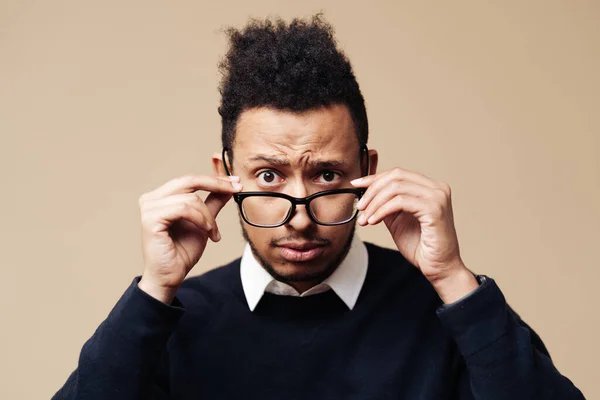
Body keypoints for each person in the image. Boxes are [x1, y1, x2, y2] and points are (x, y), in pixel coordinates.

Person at [53, 15, 584, 399]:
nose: (301, 216)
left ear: (366, 170)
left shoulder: (447, 311)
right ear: (225, 177)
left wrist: (452, 280)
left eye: (327, 175)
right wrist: (153, 290)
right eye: (268, 176)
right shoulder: (171, 321)